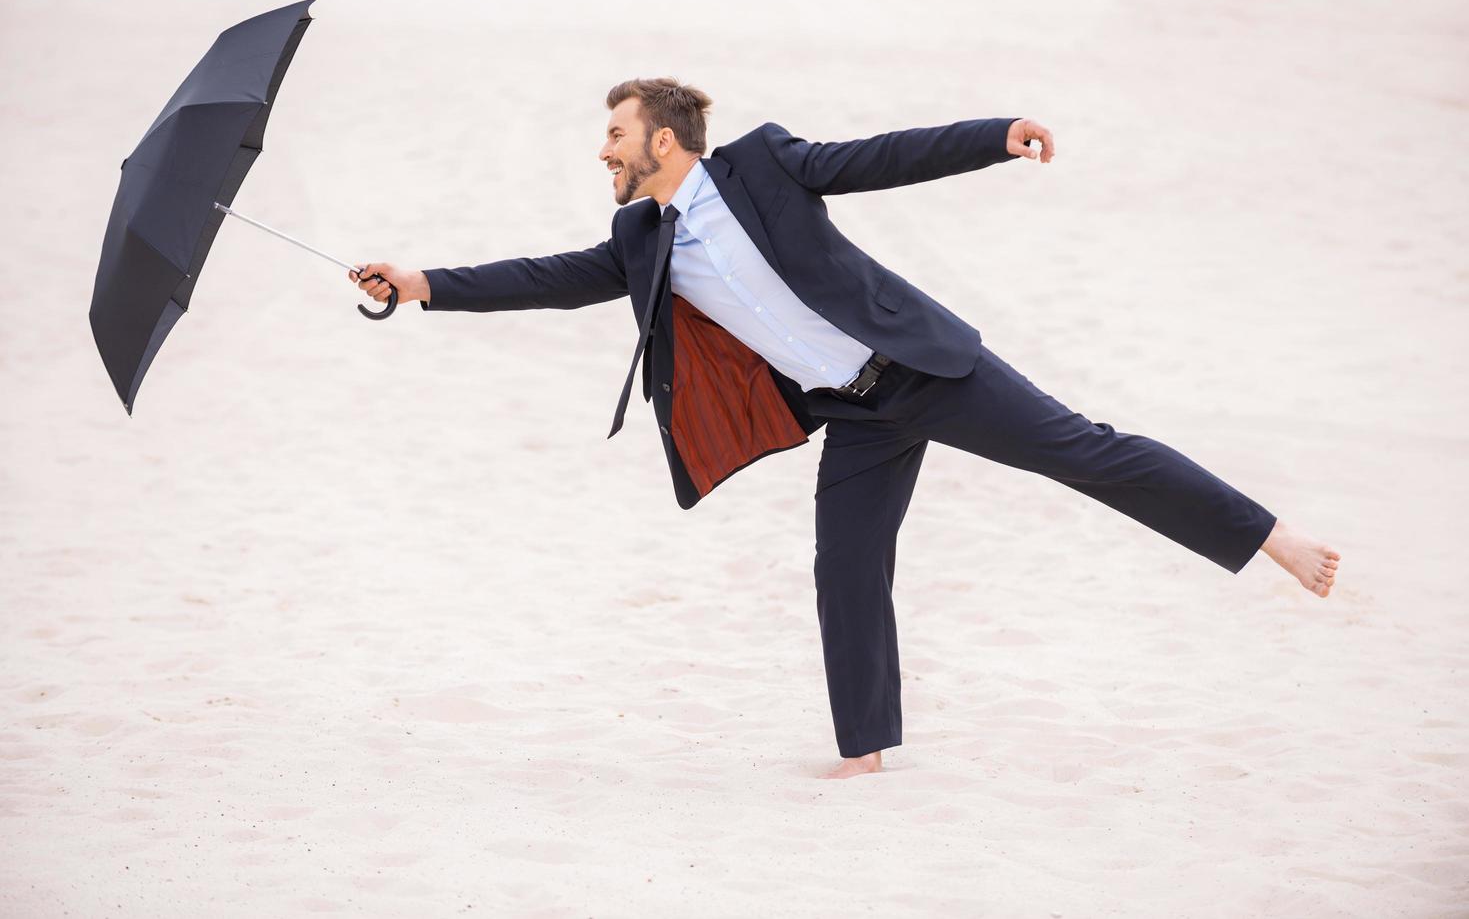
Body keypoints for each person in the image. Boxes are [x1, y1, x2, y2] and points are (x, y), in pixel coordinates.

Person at [350, 78, 1340, 780]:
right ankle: (863, 746)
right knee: (844, 561)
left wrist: (995, 133)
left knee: (1085, 450)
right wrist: (422, 283)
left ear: (664, 138)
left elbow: (879, 157)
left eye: (615, 130)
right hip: (852, 410)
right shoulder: (637, 237)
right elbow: (547, 276)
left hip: (929, 367)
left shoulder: (764, 166)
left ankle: (1270, 537)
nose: (601, 147)